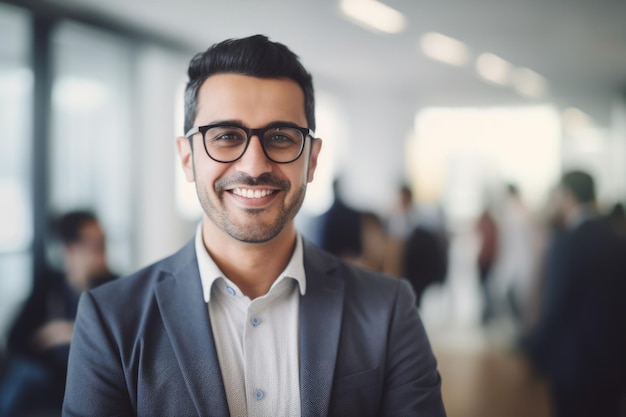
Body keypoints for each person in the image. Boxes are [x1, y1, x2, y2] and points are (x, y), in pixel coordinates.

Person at [62, 35, 446, 416]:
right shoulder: (110, 319)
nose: (254, 165)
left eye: (280, 137)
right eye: (227, 137)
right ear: (186, 158)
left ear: (311, 160)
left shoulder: (388, 309)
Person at [522, 170, 626, 417]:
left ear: (568, 196)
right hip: (614, 365)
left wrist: (535, 350)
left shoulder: (565, 243)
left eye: (557, 195)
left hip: (572, 366)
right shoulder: (618, 241)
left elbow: (555, 306)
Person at [0, 210, 116, 416]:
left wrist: (72, 332)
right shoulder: (50, 286)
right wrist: (46, 335)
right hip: (52, 374)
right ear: (70, 250)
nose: (102, 251)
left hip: (94, 375)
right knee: (23, 371)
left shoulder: (116, 287)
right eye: (94, 244)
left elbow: (123, 341)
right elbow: (15, 339)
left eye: (103, 242)